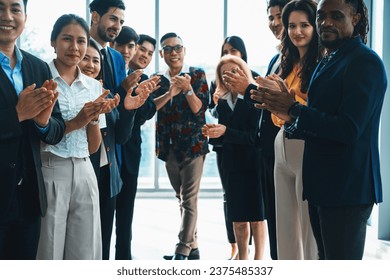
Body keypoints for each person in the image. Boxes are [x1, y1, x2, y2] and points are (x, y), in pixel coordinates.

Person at [250, 0, 387, 260]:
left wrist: (293, 110)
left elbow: (348, 129)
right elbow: (318, 119)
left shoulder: (364, 62)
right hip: (322, 184)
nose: (325, 22)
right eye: (321, 16)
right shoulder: (331, 59)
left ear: (356, 18)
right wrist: (287, 115)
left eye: (336, 16)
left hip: (347, 187)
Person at [37, 14, 118, 260]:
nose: (75, 47)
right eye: (67, 39)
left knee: (85, 251)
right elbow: (38, 134)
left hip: (85, 171)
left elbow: (94, 148)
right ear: (53, 42)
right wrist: (79, 120)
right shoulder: (41, 78)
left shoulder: (94, 87)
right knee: (48, 249)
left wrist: (93, 118)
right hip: (50, 169)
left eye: (81, 41)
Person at [221, 0, 290, 260]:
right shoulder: (275, 59)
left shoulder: (256, 77)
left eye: (279, 17)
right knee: (271, 222)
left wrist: (249, 89)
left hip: (266, 154)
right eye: (270, 17)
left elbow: (270, 110)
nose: (274, 23)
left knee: (266, 218)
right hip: (260, 156)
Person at [89, 0, 157, 259]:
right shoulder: (81, 51)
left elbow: (118, 107)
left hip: (112, 156)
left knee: (106, 233)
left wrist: (131, 97)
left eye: (121, 21)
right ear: (95, 16)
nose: (117, 26)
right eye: (113, 19)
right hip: (87, 154)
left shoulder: (116, 58)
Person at [0, 0, 65, 260]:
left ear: (25, 16)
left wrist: (43, 122)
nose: (7, 16)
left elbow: (55, 129)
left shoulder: (38, 68)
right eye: (0, 7)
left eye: (15, 9)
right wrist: (17, 115)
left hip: (28, 199)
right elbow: (18, 117)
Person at [258, 0, 320, 260]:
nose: (297, 32)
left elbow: (315, 110)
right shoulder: (287, 62)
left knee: (307, 228)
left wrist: (289, 107)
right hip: (281, 142)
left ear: (316, 26)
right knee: (284, 226)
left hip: (305, 144)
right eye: (292, 25)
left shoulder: (322, 63)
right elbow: (278, 112)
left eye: (304, 25)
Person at [203, 55, 267, 260]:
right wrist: (213, 132)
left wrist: (225, 131)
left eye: (234, 71)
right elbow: (223, 135)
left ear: (243, 72)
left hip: (253, 164)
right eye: (224, 74)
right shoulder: (221, 101)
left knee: (257, 218)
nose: (229, 76)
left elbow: (254, 137)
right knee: (237, 218)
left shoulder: (254, 96)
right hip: (231, 165)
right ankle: (243, 261)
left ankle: (258, 260)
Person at [152, 32, 209, 260]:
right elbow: (152, 109)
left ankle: (182, 248)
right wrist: (170, 92)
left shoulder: (197, 74)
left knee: (188, 199)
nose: (173, 52)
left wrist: (187, 89)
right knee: (181, 198)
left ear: (184, 51)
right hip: (168, 147)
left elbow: (200, 110)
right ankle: (193, 246)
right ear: (161, 53)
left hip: (193, 146)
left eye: (177, 48)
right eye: (168, 49)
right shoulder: (158, 80)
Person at [113, 32, 157, 260]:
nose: (145, 55)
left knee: (126, 213)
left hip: (130, 153)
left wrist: (139, 93)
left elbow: (147, 112)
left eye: (150, 53)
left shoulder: (142, 78)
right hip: (108, 151)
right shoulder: (109, 71)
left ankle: (124, 260)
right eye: (142, 49)